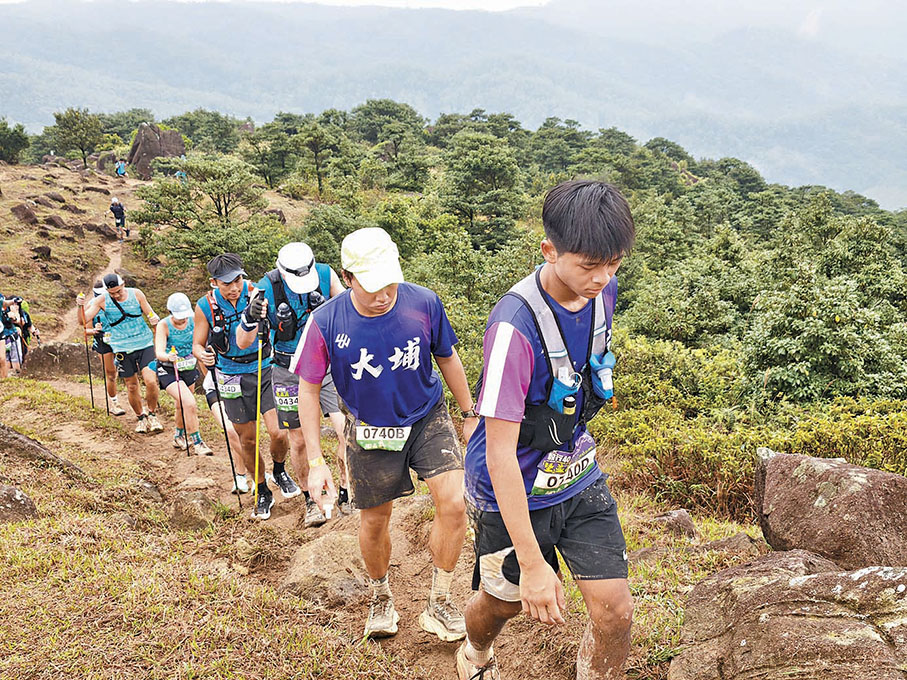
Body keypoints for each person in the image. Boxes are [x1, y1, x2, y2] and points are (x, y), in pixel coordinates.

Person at [456, 181, 636, 680]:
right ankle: (474, 651)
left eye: (614, 264)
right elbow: (498, 454)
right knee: (503, 603)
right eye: (588, 264)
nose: (602, 277)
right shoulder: (514, 328)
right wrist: (535, 566)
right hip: (511, 485)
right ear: (549, 251)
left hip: (576, 473)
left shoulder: (602, 294)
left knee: (616, 611)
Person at [295, 227, 477, 641]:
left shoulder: (424, 302)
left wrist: (469, 412)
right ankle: (381, 597)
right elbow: (307, 388)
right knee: (376, 521)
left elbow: (446, 357)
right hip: (370, 428)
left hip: (426, 417)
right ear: (347, 277)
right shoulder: (325, 322)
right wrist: (317, 461)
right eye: (373, 286)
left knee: (452, 503)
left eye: (390, 282)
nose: (384, 295)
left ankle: (440, 600)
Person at [193, 253, 297, 520]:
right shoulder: (205, 306)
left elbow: (278, 323)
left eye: (238, 279)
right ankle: (262, 489)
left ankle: (279, 469)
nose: (235, 287)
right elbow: (197, 342)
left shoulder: (256, 293)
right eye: (227, 283)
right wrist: (201, 355)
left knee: (279, 433)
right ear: (214, 282)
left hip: (265, 367)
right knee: (247, 439)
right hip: (230, 375)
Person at [257, 242, 349, 526]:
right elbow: (246, 338)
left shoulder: (325, 274)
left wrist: (331, 310)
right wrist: (253, 319)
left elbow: (350, 310)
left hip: (327, 364)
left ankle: (346, 492)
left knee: (345, 429)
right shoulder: (266, 287)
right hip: (287, 368)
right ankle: (310, 500)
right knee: (297, 439)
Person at [78, 273, 163, 433]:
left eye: (118, 291)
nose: (116, 295)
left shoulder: (136, 294)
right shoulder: (101, 300)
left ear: (123, 284)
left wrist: (155, 323)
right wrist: (80, 306)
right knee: (131, 386)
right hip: (122, 348)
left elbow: (151, 314)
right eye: (112, 293)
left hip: (144, 343)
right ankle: (141, 418)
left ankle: (152, 414)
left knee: (151, 381)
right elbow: (83, 321)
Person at [155, 292, 212, 456]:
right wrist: (168, 356)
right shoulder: (163, 325)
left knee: (181, 405)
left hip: (188, 368)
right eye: (179, 317)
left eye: (185, 316)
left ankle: (178, 436)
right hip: (169, 370)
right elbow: (159, 351)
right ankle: (197, 442)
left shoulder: (194, 320)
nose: (183, 320)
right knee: (190, 403)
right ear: (170, 312)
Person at [80, 280, 127, 416]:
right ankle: (114, 402)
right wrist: (95, 330)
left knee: (127, 371)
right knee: (111, 373)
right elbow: (85, 330)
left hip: (120, 340)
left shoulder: (117, 302)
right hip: (103, 342)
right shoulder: (91, 306)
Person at [201, 370, 250, 494]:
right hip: (216, 388)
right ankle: (259, 472)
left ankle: (241, 475)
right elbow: (201, 355)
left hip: (243, 385)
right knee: (230, 430)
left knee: (240, 431)